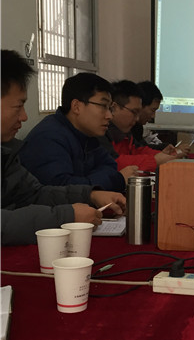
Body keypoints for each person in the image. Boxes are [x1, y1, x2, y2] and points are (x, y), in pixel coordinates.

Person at [1, 50, 125, 245]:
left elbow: (34, 194)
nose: (24, 117)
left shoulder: (6, 151)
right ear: (76, 106)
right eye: (18, 106)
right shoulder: (47, 137)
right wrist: (67, 216)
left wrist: (90, 194)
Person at [19, 73, 135, 191]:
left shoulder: (86, 133)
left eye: (110, 108)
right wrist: (115, 180)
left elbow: (110, 165)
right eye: (103, 106)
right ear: (76, 106)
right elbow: (63, 190)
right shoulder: (48, 138)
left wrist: (87, 181)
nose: (109, 115)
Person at [99, 80, 187, 171]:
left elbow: (138, 150)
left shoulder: (125, 132)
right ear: (114, 108)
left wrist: (162, 155)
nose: (137, 118)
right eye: (134, 112)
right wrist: (155, 160)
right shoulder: (100, 132)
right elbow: (113, 162)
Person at [131, 80, 164, 148]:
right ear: (140, 105)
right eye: (153, 110)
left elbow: (142, 148)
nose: (153, 116)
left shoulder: (137, 127)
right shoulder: (124, 128)